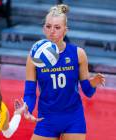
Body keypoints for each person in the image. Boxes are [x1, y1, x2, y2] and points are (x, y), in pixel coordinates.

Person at [23, 4, 105, 140]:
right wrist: (27, 109)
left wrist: (93, 83)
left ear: (65, 30)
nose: (52, 31)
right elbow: (30, 93)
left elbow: (88, 92)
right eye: (48, 27)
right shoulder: (34, 57)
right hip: (47, 118)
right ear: (44, 29)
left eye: (57, 27)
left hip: (73, 118)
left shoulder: (78, 54)